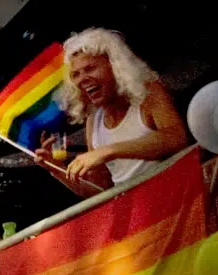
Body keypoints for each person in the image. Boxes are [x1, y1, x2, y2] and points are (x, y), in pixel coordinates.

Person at [36, 28, 186, 196]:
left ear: (114, 66)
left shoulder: (148, 93)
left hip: (175, 200)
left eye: (90, 68)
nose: (83, 79)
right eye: (76, 74)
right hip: (137, 213)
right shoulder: (94, 119)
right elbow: (101, 189)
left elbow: (176, 137)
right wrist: (58, 170)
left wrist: (108, 151)